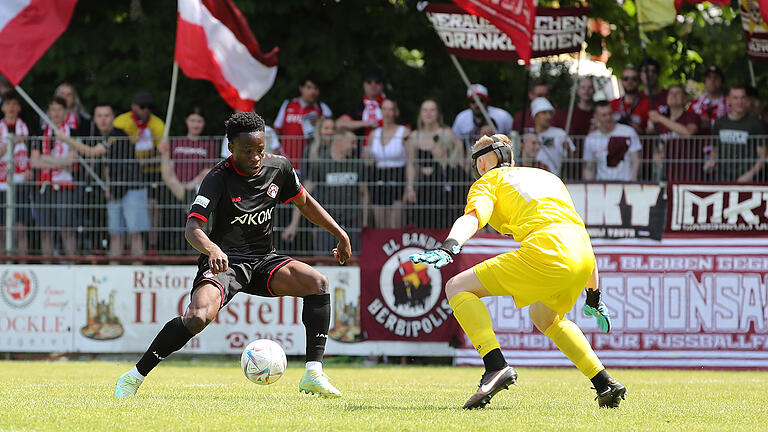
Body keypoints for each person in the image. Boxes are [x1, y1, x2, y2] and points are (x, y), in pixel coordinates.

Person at [115, 111, 351, 398]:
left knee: (318, 284)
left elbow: (306, 203)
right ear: (231, 148)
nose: (255, 157)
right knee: (197, 317)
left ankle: (313, 373)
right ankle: (133, 377)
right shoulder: (218, 177)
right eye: (248, 151)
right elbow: (193, 228)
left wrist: (340, 234)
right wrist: (212, 249)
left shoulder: (279, 168)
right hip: (225, 262)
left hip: (264, 261)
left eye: (260, 150)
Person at [410, 133, 624, 410]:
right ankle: (604, 383)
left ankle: (494, 366)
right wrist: (594, 296)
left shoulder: (487, 181)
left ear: (483, 163)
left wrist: (450, 246)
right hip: (582, 255)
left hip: (546, 250)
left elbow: (472, 217)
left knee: (456, 287)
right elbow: (578, 232)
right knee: (545, 317)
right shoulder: (548, 178)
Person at [54, 103, 148, 262]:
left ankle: (136, 270)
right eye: (99, 116)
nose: (103, 120)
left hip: (133, 189)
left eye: (106, 116)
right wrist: (109, 187)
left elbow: (92, 152)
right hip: (115, 191)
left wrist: (66, 139)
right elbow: (107, 166)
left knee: (134, 234)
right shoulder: (103, 136)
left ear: (113, 118)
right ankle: (113, 270)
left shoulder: (116, 135)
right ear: (95, 119)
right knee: (115, 234)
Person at [283, 118, 369, 252]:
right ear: (340, 141)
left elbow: (364, 193)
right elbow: (303, 193)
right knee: (322, 260)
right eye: (352, 143)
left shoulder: (357, 164)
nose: (355, 146)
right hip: (327, 222)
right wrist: (293, 225)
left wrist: (364, 222)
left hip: (352, 222)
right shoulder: (321, 164)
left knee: (353, 261)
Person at [113, 90, 165, 253]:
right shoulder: (122, 122)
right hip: (126, 173)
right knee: (128, 207)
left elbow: (163, 154)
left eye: (149, 107)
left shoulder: (157, 125)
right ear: (134, 107)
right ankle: (128, 245)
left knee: (153, 206)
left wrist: (142, 162)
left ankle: (152, 244)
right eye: (142, 107)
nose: (146, 110)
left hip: (150, 171)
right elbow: (114, 150)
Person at [408, 99, 468, 229]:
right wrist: (410, 187)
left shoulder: (447, 133)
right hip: (423, 187)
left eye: (432, 110)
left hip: (443, 187)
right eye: (425, 110)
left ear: (438, 114)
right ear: (420, 113)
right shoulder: (414, 136)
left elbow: (460, 160)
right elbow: (411, 165)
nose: (428, 113)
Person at [30, 97, 78, 260]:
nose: (56, 113)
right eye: (53, 109)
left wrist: (47, 159)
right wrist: (59, 162)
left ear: (66, 112)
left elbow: (71, 162)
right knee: (45, 230)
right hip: (44, 185)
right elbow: (34, 162)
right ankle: (47, 265)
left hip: (64, 185)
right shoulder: (41, 133)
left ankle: (72, 265)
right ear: (48, 112)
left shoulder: (72, 133)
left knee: (66, 228)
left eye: (59, 110)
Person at [364, 99, 411, 229]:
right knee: (380, 223)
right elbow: (368, 160)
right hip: (378, 177)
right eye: (385, 109)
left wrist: (409, 186)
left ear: (396, 112)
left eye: (391, 109)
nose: (388, 113)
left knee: (395, 223)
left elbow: (411, 162)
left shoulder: (404, 132)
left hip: (397, 176)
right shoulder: (374, 134)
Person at [274, 75, 333, 171]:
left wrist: (318, 124)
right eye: (309, 88)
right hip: (286, 161)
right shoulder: (288, 104)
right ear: (301, 88)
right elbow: (277, 128)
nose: (313, 92)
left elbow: (331, 134)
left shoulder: (322, 108)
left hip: (311, 162)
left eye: (316, 88)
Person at [708, 84, 766, 183]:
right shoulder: (719, 122)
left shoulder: (756, 123)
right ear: (729, 100)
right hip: (722, 178)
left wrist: (749, 175)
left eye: (742, 98)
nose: (739, 102)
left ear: (747, 99)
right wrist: (711, 161)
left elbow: (763, 157)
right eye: (735, 98)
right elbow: (714, 149)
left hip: (747, 180)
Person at [646, 85, 701, 182]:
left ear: (684, 99)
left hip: (689, 175)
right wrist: (657, 154)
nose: (673, 95)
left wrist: (659, 118)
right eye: (671, 93)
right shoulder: (660, 123)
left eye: (678, 93)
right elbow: (657, 146)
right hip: (667, 176)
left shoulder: (692, 117)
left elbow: (688, 133)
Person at [0, 91, 32, 258]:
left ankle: (23, 263)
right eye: (7, 104)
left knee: (20, 226)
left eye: (14, 104)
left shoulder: (24, 127)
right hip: (2, 183)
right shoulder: (0, 127)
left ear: (19, 107)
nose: (11, 108)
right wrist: (10, 143)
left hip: (20, 182)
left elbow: (30, 153)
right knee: (2, 227)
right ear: (3, 107)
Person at [583, 101, 642, 181]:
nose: (608, 118)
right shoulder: (591, 138)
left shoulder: (628, 132)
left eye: (610, 114)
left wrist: (632, 184)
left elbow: (636, 162)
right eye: (604, 115)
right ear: (596, 117)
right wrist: (589, 187)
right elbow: (589, 167)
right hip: (602, 187)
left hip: (625, 185)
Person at [452, 84, 513, 149]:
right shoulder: (461, 118)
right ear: (468, 103)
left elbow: (514, 137)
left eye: (481, 100)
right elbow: (454, 141)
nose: (477, 104)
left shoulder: (503, 117)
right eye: (473, 101)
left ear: (487, 101)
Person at [530, 97, 574, 177]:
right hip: (532, 177)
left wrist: (568, 149)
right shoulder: (528, 135)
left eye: (550, 113)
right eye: (544, 113)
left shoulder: (560, 133)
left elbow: (572, 158)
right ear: (535, 116)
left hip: (554, 178)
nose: (548, 117)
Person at [336, 67, 386, 136]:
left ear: (382, 84)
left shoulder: (391, 105)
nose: (373, 85)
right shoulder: (358, 106)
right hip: (361, 145)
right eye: (369, 81)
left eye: (377, 81)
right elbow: (339, 124)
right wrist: (365, 123)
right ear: (364, 84)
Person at [610, 66, 650, 135]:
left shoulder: (648, 104)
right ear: (621, 81)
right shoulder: (612, 104)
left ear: (639, 82)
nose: (629, 82)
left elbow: (651, 131)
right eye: (626, 79)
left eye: (634, 79)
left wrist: (636, 129)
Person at [688, 65, 728, 134]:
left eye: (716, 77)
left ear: (722, 82)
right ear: (705, 81)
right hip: (699, 144)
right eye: (709, 77)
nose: (712, 80)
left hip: (721, 144)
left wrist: (710, 124)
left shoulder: (731, 103)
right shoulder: (694, 105)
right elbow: (686, 125)